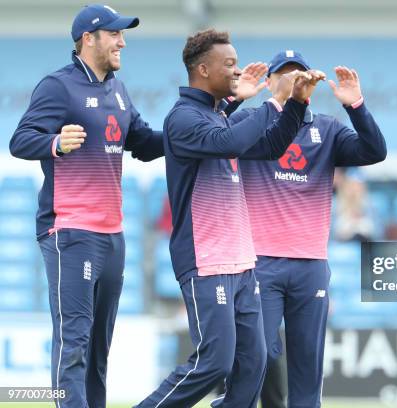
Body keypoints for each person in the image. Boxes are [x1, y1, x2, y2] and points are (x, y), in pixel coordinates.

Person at [135, 31, 324, 408]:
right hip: (207, 262)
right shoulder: (183, 118)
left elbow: (270, 147)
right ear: (203, 70)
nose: (237, 71)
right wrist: (274, 101)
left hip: (242, 262)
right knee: (213, 362)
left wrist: (296, 105)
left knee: (253, 367)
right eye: (230, 64)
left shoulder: (218, 115)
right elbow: (229, 143)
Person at [9, 4, 163, 407]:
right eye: (114, 34)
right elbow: (20, 139)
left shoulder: (118, 89)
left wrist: (204, 127)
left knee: (98, 348)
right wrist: (55, 143)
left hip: (113, 234)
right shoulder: (58, 86)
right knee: (74, 339)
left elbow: (144, 143)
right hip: (72, 231)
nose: (122, 42)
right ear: (88, 38)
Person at [228, 50, 386, 407]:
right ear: (269, 82)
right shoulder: (253, 121)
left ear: (310, 84)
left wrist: (356, 105)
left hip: (310, 265)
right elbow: (218, 134)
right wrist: (239, 99)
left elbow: (375, 151)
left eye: (298, 74)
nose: (291, 80)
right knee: (259, 355)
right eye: (282, 75)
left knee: (307, 368)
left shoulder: (326, 129)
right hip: (260, 263)